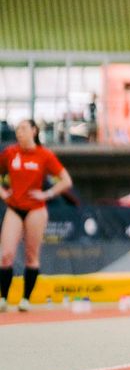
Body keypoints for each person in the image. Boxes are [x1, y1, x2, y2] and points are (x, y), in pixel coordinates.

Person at [0, 119, 73, 312]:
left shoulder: (44, 155)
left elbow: (66, 181)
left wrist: (47, 194)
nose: (19, 133)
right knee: (6, 255)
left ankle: (25, 299)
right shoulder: (10, 153)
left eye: (23, 129)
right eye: (17, 129)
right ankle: (4, 298)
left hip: (36, 209)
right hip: (15, 207)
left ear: (34, 131)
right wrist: (3, 192)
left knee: (31, 256)